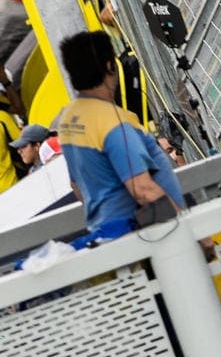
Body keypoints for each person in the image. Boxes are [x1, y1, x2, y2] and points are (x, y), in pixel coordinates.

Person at [56, 30, 185, 240]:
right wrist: (187, 233)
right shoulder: (111, 121)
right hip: (143, 235)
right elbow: (142, 190)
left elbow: (77, 186)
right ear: (110, 66)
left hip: (106, 233)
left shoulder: (70, 119)